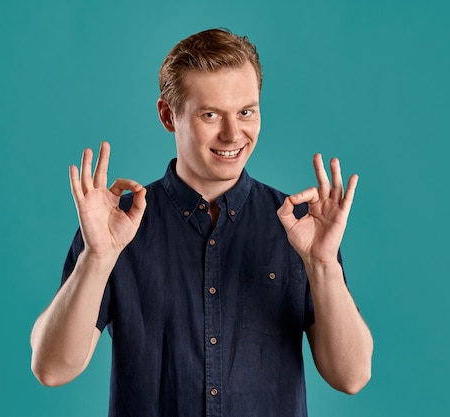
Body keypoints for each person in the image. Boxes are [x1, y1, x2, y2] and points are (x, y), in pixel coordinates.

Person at [30, 28, 373, 417]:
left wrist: (323, 264)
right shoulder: (114, 227)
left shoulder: (300, 227)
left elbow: (352, 376)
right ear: (167, 115)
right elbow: (52, 368)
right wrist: (96, 257)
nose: (232, 133)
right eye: (210, 114)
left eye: (246, 112)